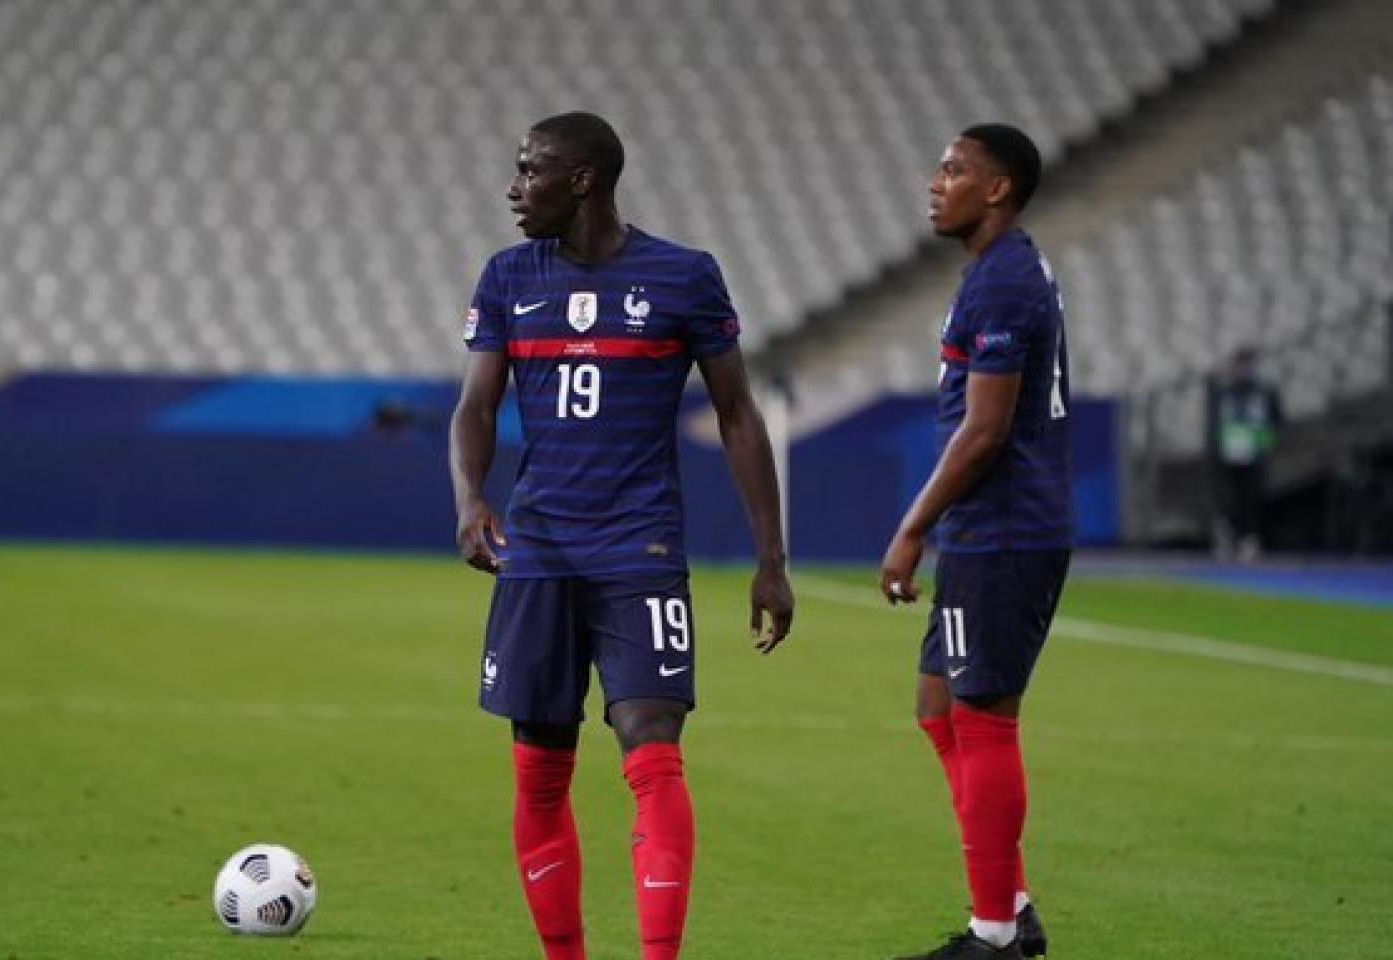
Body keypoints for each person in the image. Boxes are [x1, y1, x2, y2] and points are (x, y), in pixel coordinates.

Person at [450, 111, 794, 960]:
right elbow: (476, 405)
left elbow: (738, 413)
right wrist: (469, 500)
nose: (513, 186)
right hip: (538, 551)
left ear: (584, 180)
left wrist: (771, 559)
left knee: (652, 745)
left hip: (639, 549)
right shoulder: (507, 277)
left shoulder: (683, 277)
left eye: (531, 170)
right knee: (540, 769)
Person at [879, 124, 1071, 960]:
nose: (936, 182)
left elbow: (985, 430)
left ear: (997, 190)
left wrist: (912, 527)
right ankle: (1012, 901)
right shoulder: (999, 272)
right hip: (988, 529)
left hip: (1006, 529)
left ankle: (994, 934)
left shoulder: (1003, 284)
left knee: (984, 717)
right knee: (937, 706)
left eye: (954, 170)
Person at [1209, 346, 1283, 561]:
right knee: (1228, 498)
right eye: (1239, 365)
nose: (1242, 370)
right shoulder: (1225, 392)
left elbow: (1276, 420)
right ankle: (1227, 538)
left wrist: (1268, 443)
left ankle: (1248, 539)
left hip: (1254, 453)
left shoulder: (1264, 392)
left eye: (1245, 365)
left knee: (1250, 498)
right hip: (1229, 452)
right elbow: (1216, 422)